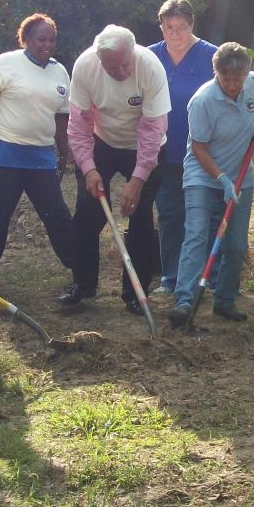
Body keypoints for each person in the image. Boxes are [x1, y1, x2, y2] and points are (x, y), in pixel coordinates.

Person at [63, 25, 171, 313]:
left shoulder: (149, 67)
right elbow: (79, 125)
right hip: (103, 141)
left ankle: (135, 293)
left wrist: (137, 180)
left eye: (126, 64)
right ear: (100, 60)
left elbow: (153, 129)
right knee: (88, 211)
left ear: (133, 52)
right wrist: (88, 168)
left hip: (145, 145)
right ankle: (83, 285)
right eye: (113, 67)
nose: (122, 72)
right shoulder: (86, 67)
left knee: (140, 217)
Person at [0, 13, 77, 287]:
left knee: (57, 214)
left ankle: (79, 266)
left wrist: (64, 152)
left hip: (40, 157)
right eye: (41, 39)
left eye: (52, 39)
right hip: (2, 153)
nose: (47, 44)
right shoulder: (5, 64)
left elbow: (62, 117)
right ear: (26, 38)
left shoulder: (59, 71)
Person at [167, 43, 254, 327]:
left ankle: (225, 301)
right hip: (203, 175)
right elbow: (198, 148)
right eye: (227, 78)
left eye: (239, 78)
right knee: (197, 235)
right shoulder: (203, 101)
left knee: (236, 245)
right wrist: (221, 178)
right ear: (216, 73)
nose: (233, 84)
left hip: (241, 177)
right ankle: (184, 301)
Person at [147, 0, 217, 295]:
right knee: (170, 213)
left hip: (203, 150)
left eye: (181, 27)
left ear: (192, 25)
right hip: (164, 150)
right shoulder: (149, 57)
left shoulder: (210, 56)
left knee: (204, 214)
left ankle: (208, 276)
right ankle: (171, 276)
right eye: (168, 27)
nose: (174, 34)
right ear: (161, 26)